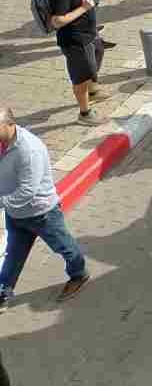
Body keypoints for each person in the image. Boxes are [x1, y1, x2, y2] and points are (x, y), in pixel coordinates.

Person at [0, 107, 90, 307]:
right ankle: (3, 291)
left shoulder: (28, 149)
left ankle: (79, 274)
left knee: (65, 248)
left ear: (10, 124)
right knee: (13, 254)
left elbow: (27, 190)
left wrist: (2, 202)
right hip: (15, 214)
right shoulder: (3, 142)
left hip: (41, 214)